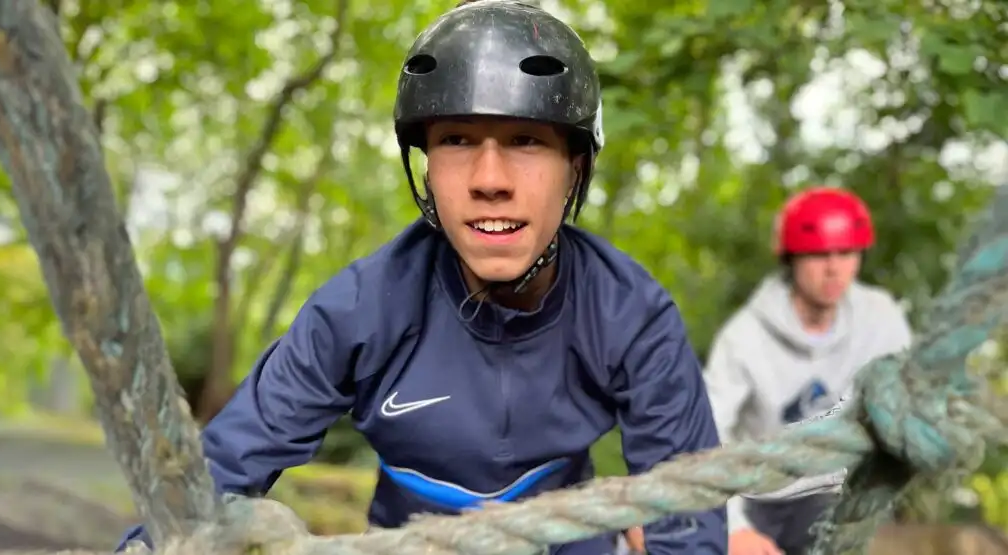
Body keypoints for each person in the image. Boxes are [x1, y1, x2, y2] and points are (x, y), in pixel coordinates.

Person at [114, 2, 727, 554]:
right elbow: (220, 469)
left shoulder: (630, 314)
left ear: (575, 168)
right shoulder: (359, 309)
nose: (490, 177)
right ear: (426, 169)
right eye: (457, 139)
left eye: (526, 140)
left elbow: (689, 526)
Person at [702, 186, 913, 555]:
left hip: (840, 494)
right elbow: (706, 430)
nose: (833, 269)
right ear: (791, 259)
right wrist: (734, 529)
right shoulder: (744, 337)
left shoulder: (880, 319)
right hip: (756, 495)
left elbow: (909, 405)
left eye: (845, 253)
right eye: (818, 255)